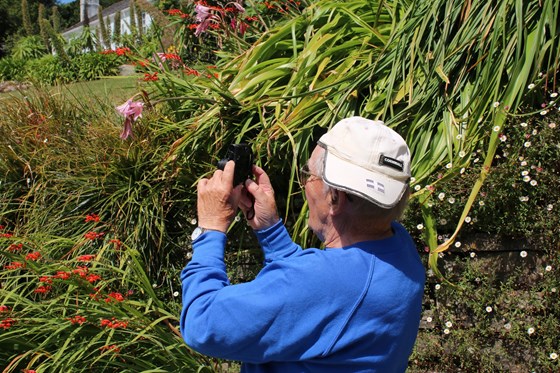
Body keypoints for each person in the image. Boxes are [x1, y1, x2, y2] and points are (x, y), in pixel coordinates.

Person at [180, 116, 425, 372]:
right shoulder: (400, 250)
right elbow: (313, 301)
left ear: (336, 198)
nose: (305, 182)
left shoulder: (327, 283)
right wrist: (271, 231)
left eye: (308, 174)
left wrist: (210, 227)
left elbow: (202, 322)